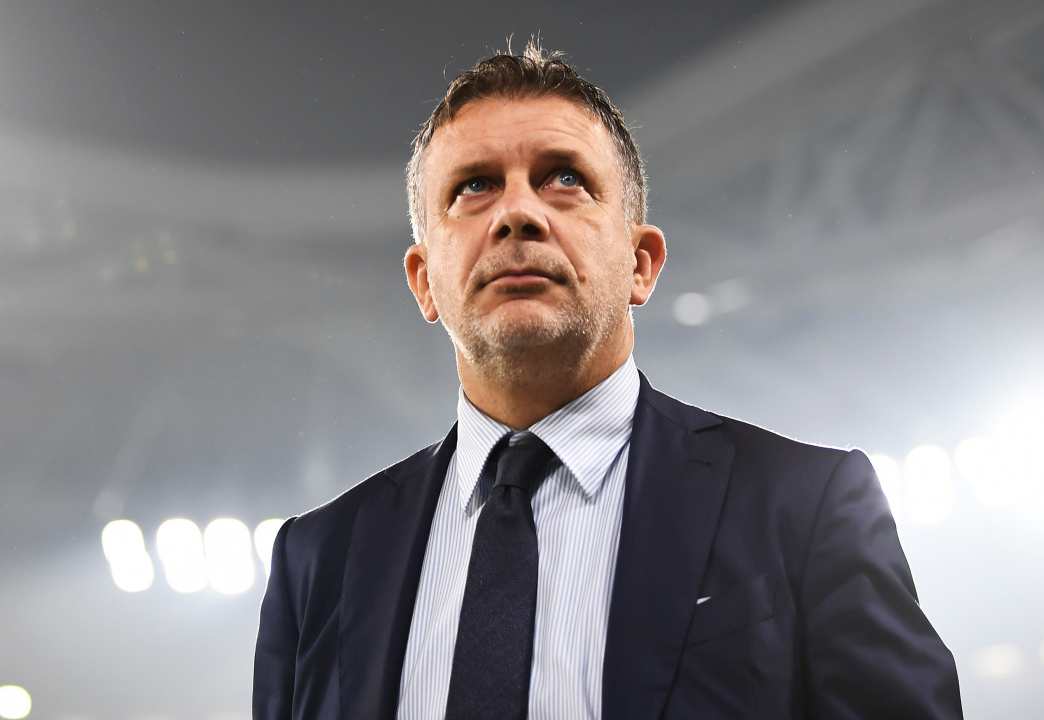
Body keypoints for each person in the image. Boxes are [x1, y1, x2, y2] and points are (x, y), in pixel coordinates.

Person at [253, 40, 963, 720]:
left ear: (641, 264)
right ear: (422, 281)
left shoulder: (803, 507)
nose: (517, 213)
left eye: (565, 179)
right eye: (474, 186)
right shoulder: (319, 560)